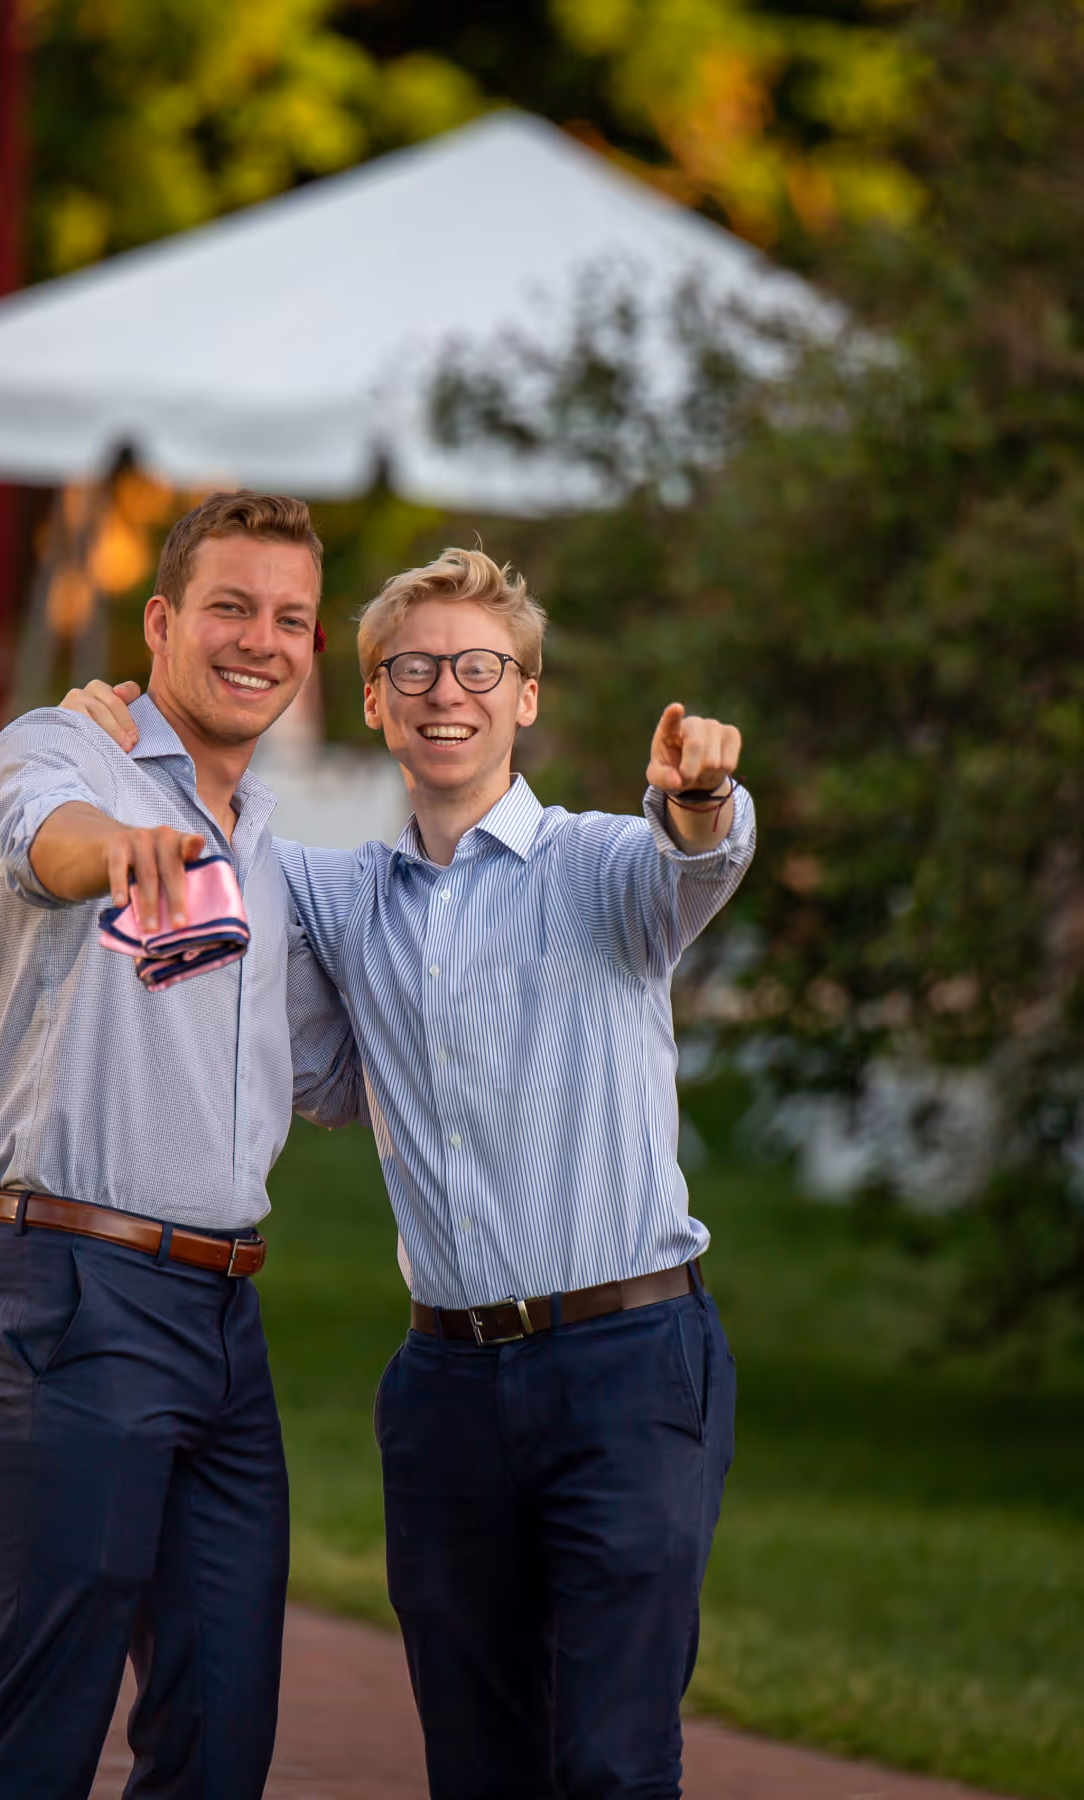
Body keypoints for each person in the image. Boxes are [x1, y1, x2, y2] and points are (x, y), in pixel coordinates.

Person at [67, 545, 754, 1800]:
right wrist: (112, 735)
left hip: (628, 1367)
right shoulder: (335, 899)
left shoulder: (602, 868)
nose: (449, 692)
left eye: (480, 668)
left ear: (526, 697)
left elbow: (692, 859)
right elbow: (211, 853)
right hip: (445, 1393)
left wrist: (702, 793)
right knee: (478, 1768)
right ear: (376, 702)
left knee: (611, 1762)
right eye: (415, 669)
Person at [0, 491, 362, 1800]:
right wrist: (119, 847)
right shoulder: (69, 747)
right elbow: (42, 836)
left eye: (288, 618)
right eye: (230, 607)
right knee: (39, 1732)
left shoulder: (272, 851)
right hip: (77, 1294)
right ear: (163, 621)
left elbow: (330, 1078)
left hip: (226, 1325)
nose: (260, 641)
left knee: (220, 1739)